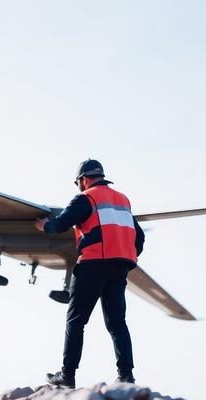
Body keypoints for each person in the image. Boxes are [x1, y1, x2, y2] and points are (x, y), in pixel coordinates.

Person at [35, 159, 145, 388]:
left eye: (78, 183)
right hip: (120, 267)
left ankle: (67, 375)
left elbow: (60, 225)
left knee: (76, 321)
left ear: (84, 179)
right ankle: (126, 376)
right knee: (117, 323)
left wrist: (44, 225)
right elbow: (140, 237)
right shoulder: (122, 200)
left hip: (93, 265)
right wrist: (124, 254)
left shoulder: (86, 198)